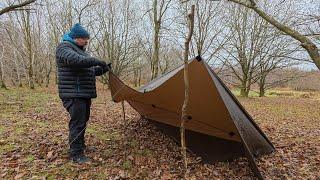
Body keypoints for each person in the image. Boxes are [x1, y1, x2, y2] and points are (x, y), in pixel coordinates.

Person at [55, 23, 111, 163]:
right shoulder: (64, 47)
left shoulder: (80, 50)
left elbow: (89, 71)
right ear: (76, 38)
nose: (87, 41)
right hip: (74, 93)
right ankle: (76, 154)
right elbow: (75, 61)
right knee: (77, 123)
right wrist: (95, 60)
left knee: (82, 122)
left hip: (83, 94)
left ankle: (80, 146)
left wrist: (103, 69)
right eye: (85, 38)